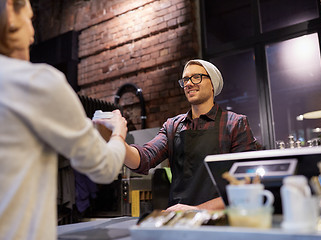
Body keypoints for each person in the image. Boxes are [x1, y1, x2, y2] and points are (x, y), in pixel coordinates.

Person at [0, 0, 128, 239]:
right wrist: (119, 133)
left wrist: (79, 129)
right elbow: (104, 168)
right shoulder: (37, 82)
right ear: (10, 12)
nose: (32, 34)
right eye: (29, 19)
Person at [124, 59, 257, 211]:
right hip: (181, 221)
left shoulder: (234, 123)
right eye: (185, 79)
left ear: (212, 84)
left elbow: (247, 184)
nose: (188, 83)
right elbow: (145, 158)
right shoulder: (173, 126)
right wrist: (118, 143)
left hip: (219, 220)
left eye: (196, 77)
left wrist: (196, 210)